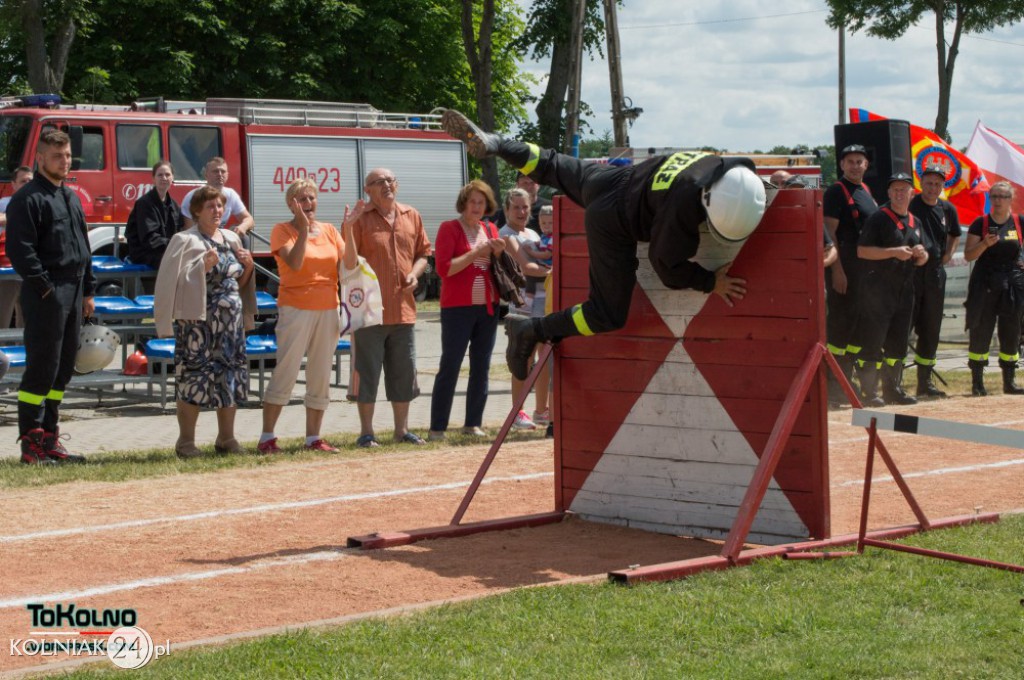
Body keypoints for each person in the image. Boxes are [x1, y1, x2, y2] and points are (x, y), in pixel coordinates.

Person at [440, 109, 769, 380]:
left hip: (609, 179)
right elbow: (666, 266)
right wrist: (711, 281)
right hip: (613, 219)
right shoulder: (684, 207)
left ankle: (497, 142)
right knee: (606, 313)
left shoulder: (735, 168)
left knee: (552, 164)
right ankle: (532, 329)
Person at [6, 131, 95, 464]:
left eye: (68, 155)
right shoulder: (28, 199)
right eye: (58, 156)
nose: (65, 161)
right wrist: (45, 288)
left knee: (62, 370)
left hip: (73, 292)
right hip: (47, 292)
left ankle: (51, 438)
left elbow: (83, 249)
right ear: (40, 158)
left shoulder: (70, 198)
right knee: (42, 368)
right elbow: (20, 250)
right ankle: (31, 443)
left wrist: (88, 290)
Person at [154, 186, 256, 458]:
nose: (217, 211)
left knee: (229, 376)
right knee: (193, 378)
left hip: (230, 325)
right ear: (197, 211)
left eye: (220, 206)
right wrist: (202, 267)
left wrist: (248, 267)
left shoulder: (233, 239)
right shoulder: (183, 240)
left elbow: (239, 283)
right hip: (196, 324)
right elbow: (170, 283)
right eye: (210, 207)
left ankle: (227, 438)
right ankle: (186, 443)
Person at [257, 179, 355, 454]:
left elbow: (349, 264)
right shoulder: (282, 230)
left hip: (328, 308)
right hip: (295, 308)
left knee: (321, 373)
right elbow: (296, 263)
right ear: (291, 204)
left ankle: (313, 438)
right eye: (301, 199)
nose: (307, 204)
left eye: (311, 198)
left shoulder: (330, 230)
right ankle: (267, 437)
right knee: (287, 370)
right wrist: (302, 230)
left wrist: (349, 230)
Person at [347, 167, 432, 447]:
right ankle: (366, 433)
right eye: (378, 182)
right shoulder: (361, 219)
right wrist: (347, 227)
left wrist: (415, 273)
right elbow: (347, 262)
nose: (386, 185)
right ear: (367, 190)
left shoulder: (412, 215)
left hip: (403, 309)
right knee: (368, 372)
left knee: (403, 372)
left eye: (390, 180)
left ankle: (401, 430)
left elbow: (423, 254)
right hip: (369, 311)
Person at [428, 180, 506, 441]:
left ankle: (473, 423)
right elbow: (445, 269)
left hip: (487, 307)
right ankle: (437, 427)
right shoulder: (449, 228)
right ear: (463, 203)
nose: (476, 206)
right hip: (457, 308)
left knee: (481, 366)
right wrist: (477, 253)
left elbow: (498, 268)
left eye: (481, 202)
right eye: (472, 201)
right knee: (450, 365)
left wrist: (499, 254)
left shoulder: (491, 227)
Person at [854, 173, 928, 407]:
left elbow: (922, 258)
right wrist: (893, 252)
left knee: (898, 343)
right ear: (888, 193)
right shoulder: (879, 218)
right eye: (895, 189)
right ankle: (869, 391)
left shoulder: (915, 222)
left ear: (912, 194)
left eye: (903, 189)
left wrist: (922, 255)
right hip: (878, 290)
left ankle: (892, 390)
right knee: (874, 341)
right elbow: (862, 251)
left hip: (904, 290)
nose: (899, 193)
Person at [823, 144, 879, 390]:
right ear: (842, 165)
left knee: (858, 323)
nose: (855, 166)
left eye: (860, 161)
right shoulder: (837, 191)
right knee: (841, 324)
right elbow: (829, 233)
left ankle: (846, 377)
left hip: (864, 270)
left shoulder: (865, 189)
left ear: (866, 165)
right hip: (845, 265)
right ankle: (833, 381)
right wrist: (837, 271)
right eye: (850, 161)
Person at [962, 181, 1024, 397]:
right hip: (985, 282)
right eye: (994, 196)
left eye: (1002, 196)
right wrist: (984, 245)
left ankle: (1009, 381)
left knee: (1011, 331)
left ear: (1010, 199)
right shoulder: (981, 223)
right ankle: (977, 383)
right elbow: (969, 255)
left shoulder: (1019, 221)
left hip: (1012, 282)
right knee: (981, 329)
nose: (997, 200)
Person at [907, 162, 961, 398]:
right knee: (904, 326)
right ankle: (893, 381)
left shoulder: (948, 209)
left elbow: (955, 234)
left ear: (942, 185)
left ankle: (924, 382)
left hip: (935, 275)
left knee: (931, 330)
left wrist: (948, 254)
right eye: (928, 183)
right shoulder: (910, 204)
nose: (932, 187)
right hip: (910, 273)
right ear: (921, 183)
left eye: (937, 183)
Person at [500, 188, 550, 429]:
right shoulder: (506, 235)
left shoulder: (532, 232)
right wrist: (553, 271)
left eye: (525, 207)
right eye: (516, 207)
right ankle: (516, 413)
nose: (521, 212)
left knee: (544, 357)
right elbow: (527, 267)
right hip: (522, 305)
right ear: (507, 209)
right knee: (523, 358)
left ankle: (542, 411)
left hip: (543, 302)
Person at [125, 160, 184, 275]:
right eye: (160, 175)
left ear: (172, 178)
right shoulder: (144, 203)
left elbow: (181, 230)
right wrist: (176, 245)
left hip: (166, 250)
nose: (164, 178)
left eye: (167, 175)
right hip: (145, 252)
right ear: (153, 179)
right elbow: (150, 240)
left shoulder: (174, 205)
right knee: (178, 262)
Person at [181, 157, 254, 236]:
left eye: (223, 171)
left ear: (227, 175)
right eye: (215, 171)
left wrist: (242, 227)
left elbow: (249, 219)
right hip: (199, 239)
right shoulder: (193, 197)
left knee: (244, 238)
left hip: (220, 237)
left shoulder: (231, 194)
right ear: (206, 175)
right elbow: (189, 230)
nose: (220, 174)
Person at [0, 166, 33, 329]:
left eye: (30, 181)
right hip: (8, 269)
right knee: (3, 317)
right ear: (13, 184)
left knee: (26, 320)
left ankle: (23, 352)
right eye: (23, 181)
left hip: (31, 270)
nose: (27, 184)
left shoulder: (39, 203)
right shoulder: (4, 203)